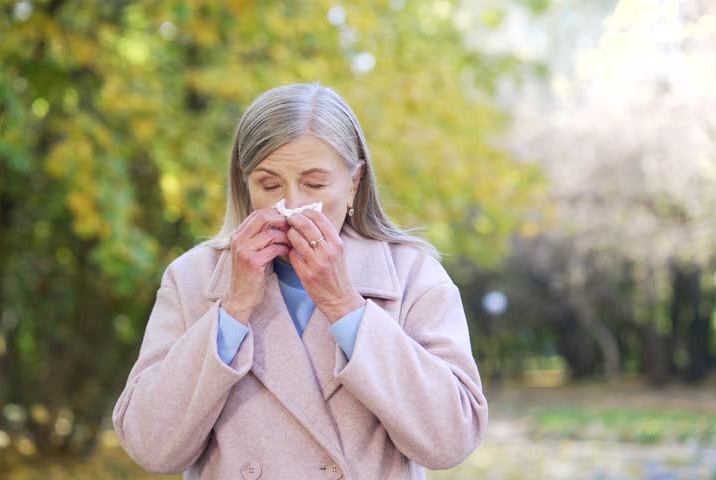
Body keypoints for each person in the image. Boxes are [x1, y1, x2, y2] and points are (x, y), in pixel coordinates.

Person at [112, 82, 489, 480]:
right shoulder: (192, 278)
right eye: (269, 185)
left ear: (354, 183)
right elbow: (150, 447)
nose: (291, 205)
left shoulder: (414, 275)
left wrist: (344, 305)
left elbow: (452, 440)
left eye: (314, 184)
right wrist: (234, 308)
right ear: (246, 185)